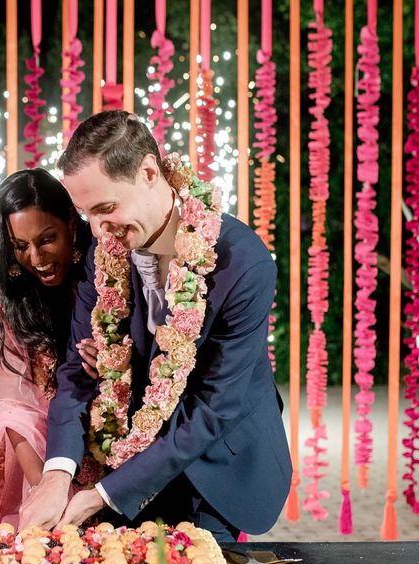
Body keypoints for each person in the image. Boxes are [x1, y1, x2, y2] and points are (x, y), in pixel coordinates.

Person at [19, 111, 292, 542]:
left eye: (106, 208)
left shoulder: (243, 263)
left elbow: (214, 409)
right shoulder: (104, 253)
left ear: (149, 172)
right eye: (86, 213)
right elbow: (75, 370)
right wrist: (57, 474)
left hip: (217, 466)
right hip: (126, 455)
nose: (97, 228)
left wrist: (104, 494)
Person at [0, 168, 95, 527]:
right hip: (31, 447)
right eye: (20, 246)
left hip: (105, 435)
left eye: (47, 240)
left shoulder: (105, 276)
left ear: (72, 222)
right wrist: (46, 488)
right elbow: (11, 410)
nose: (37, 258)